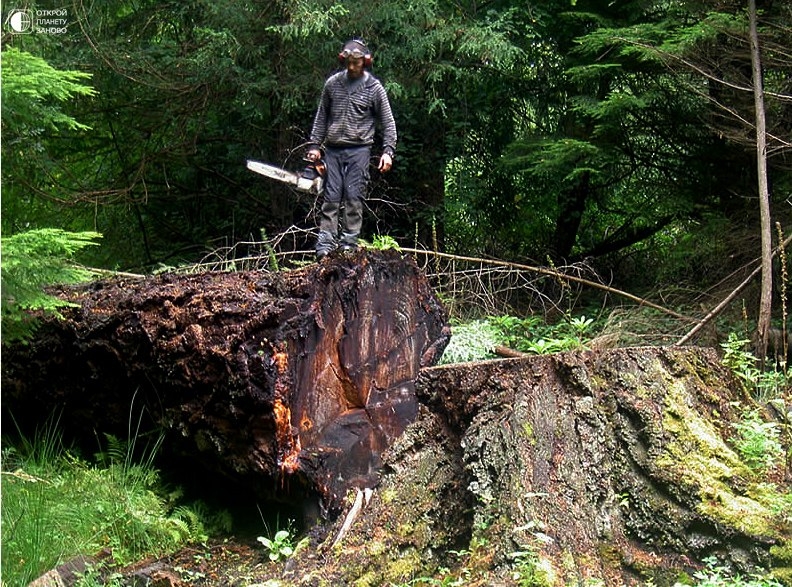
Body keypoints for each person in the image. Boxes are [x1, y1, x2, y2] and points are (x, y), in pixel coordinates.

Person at [306, 39, 397, 259]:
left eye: (356, 62)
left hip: (360, 150)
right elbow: (321, 118)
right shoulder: (333, 84)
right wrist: (315, 146)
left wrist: (388, 151)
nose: (352, 66)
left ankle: (348, 244)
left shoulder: (374, 88)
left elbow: (388, 122)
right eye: (348, 61)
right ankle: (325, 245)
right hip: (334, 149)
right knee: (331, 197)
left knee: (354, 197)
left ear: (364, 62)